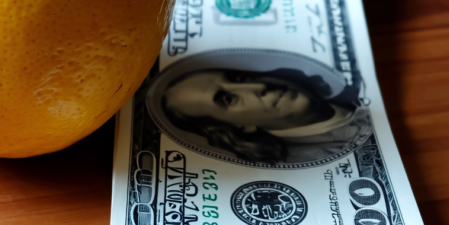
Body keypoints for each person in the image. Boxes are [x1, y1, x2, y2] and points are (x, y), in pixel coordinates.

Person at [158, 67, 371, 165]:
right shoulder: (313, 158)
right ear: (239, 127)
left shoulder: (361, 89)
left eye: (240, 77)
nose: (259, 85)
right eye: (229, 99)